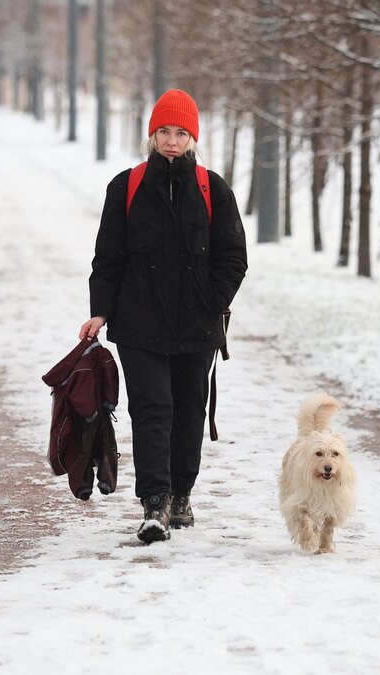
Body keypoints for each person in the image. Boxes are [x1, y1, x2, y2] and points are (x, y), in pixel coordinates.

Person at [81, 89, 248, 544]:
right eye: (164, 132)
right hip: (139, 323)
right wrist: (100, 311)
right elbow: (108, 257)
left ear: (192, 138)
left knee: (189, 411)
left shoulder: (213, 189)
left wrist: (212, 301)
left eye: (180, 133)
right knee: (152, 408)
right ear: (151, 136)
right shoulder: (127, 186)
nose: (171, 141)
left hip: (197, 325)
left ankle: (181, 495)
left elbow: (233, 257)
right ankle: (154, 502)